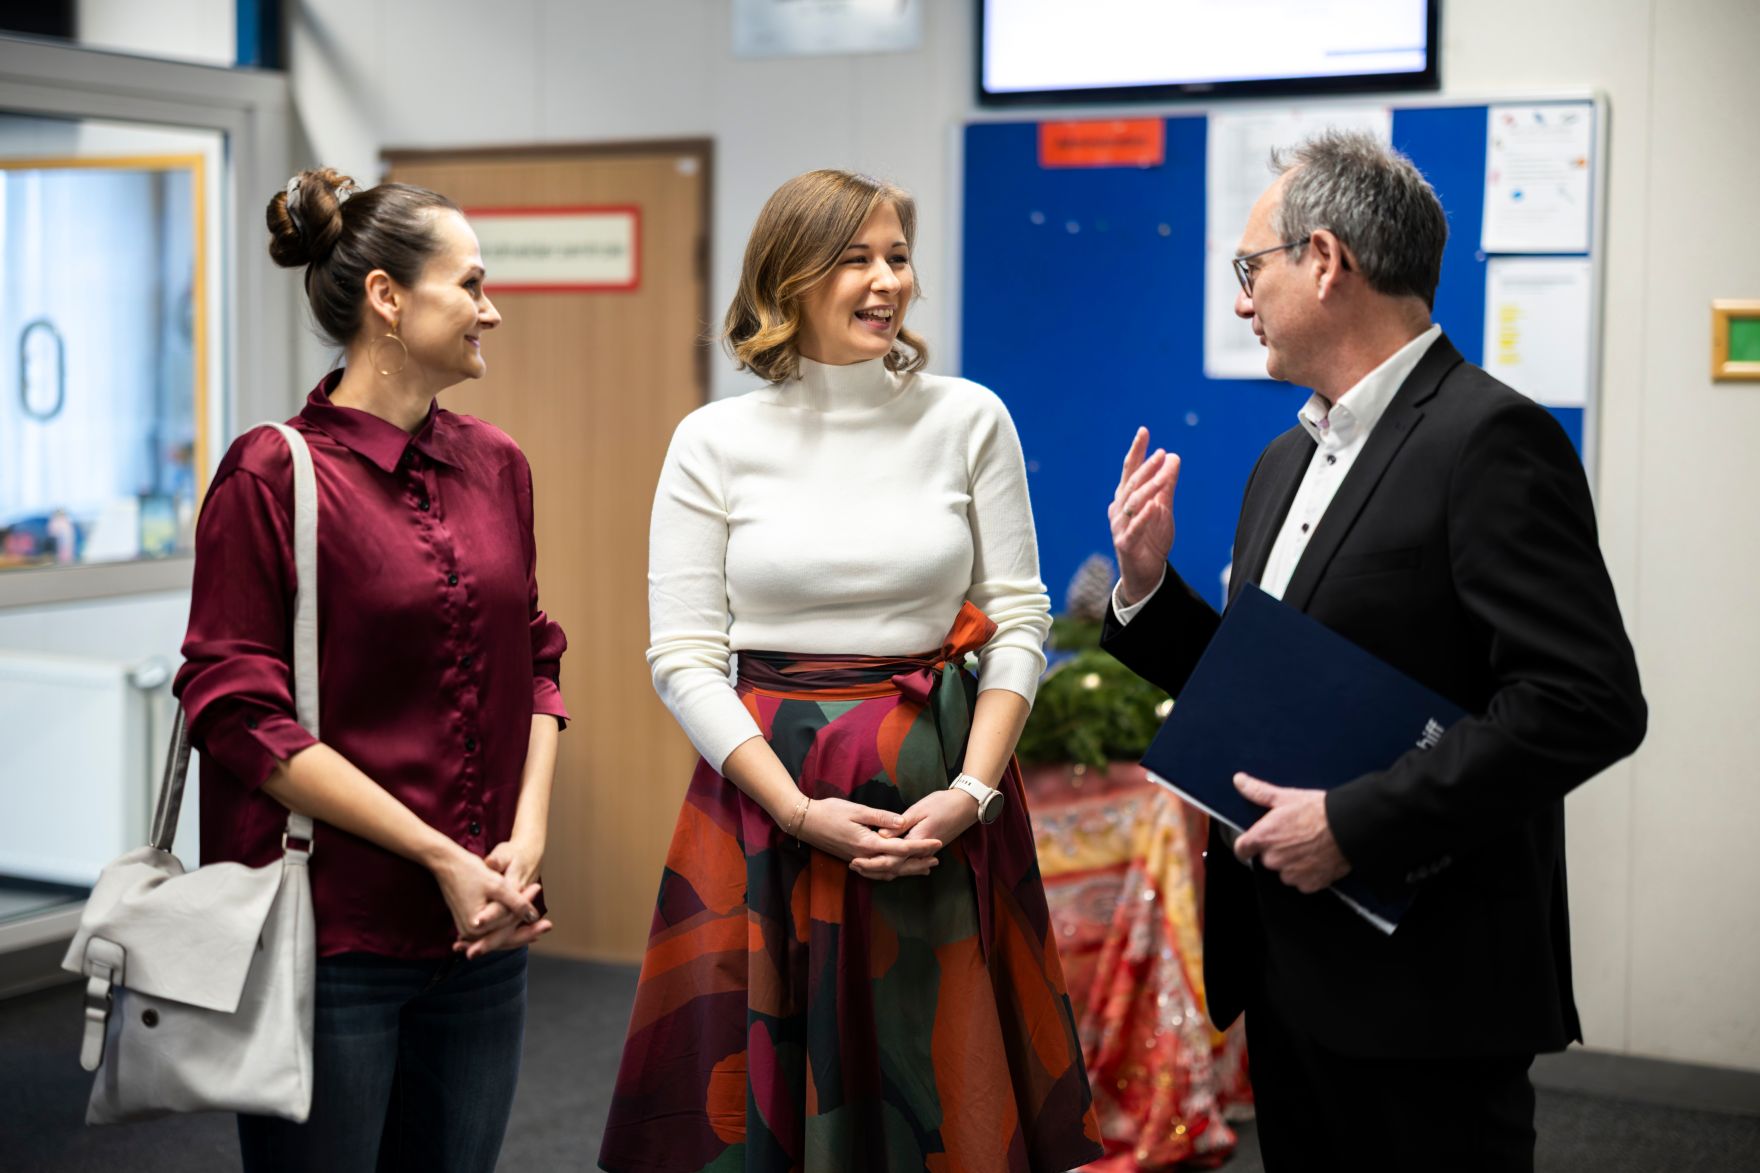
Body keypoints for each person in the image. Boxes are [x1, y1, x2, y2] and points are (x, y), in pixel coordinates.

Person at [1099, 131, 1646, 1173]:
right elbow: (1265, 695)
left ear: (1324, 260)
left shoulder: (1488, 439)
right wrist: (1142, 590)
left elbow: (1582, 701)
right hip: (1289, 969)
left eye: (1247, 270)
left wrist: (1353, 823)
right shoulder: (1282, 458)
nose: (1238, 301)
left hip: (1429, 981)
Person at [599, 169, 1103, 1172]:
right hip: (765, 807)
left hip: (941, 808)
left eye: (897, 257)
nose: (885, 281)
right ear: (787, 277)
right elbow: (685, 655)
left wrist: (972, 790)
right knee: (767, 1109)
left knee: (940, 1098)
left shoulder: (966, 418)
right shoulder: (713, 441)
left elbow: (1016, 619)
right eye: (854, 258)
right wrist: (792, 811)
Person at [173, 167, 567, 1172]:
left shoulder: (498, 464)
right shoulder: (271, 471)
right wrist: (438, 854)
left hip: (484, 928)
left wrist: (522, 840)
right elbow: (237, 713)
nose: (492, 309)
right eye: (468, 284)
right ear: (387, 298)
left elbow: (537, 659)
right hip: (332, 933)